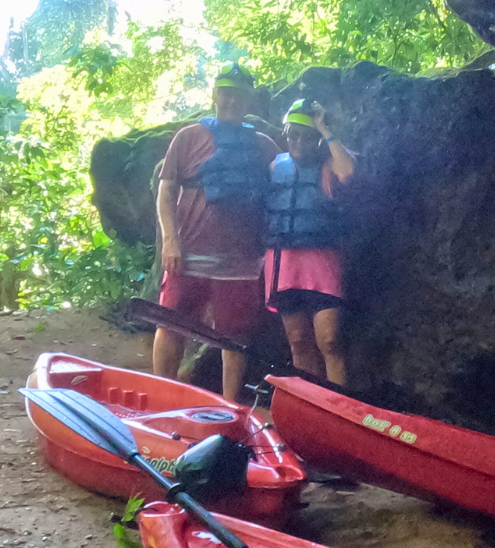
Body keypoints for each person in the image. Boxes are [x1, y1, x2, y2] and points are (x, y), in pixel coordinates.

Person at [153, 67, 276, 401]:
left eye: (238, 94)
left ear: (250, 99)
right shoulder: (189, 137)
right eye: (225, 92)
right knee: (171, 325)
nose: (231, 100)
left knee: (234, 338)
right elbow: (166, 191)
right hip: (188, 254)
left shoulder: (264, 147)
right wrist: (170, 238)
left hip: (241, 263)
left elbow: (281, 195)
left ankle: (229, 407)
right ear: (214, 95)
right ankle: (162, 397)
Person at [264, 99, 357, 386]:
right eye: (294, 135)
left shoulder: (330, 163)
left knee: (329, 340)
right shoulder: (274, 165)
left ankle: (339, 409)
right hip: (283, 263)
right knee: (298, 340)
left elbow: (348, 172)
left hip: (321, 262)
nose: (299, 142)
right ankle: (311, 403)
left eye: (307, 136)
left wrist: (323, 128)